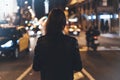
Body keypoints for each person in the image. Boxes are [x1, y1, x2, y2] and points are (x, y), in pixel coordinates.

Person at [32, 8, 82, 80]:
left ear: (48, 23)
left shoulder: (41, 41)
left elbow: (36, 67)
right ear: (63, 24)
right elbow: (78, 66)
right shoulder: (72, 42)